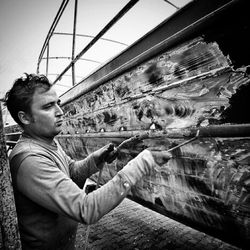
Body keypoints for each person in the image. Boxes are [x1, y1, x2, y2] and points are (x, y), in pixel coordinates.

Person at [3, 73, 171, 250]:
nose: (60, 112)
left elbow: (71, 172)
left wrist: (95, 159)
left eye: (58, 104)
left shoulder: (46, 142)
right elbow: (86, 208)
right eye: (48, 106)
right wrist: (145, 161)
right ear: (25, 118)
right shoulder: (30, 160)